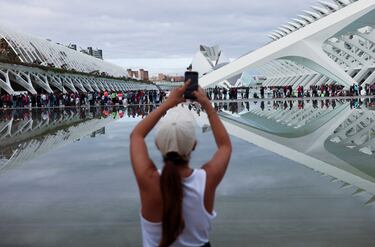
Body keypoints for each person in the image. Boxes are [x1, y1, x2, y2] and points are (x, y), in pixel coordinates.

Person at [130, 83, 232, 247]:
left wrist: (168, 104)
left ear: (157, 144)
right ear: (193, 145)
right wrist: (207, 105)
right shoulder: (206, 180)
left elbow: (137, 135)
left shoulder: (148, 180)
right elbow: (225, 146)